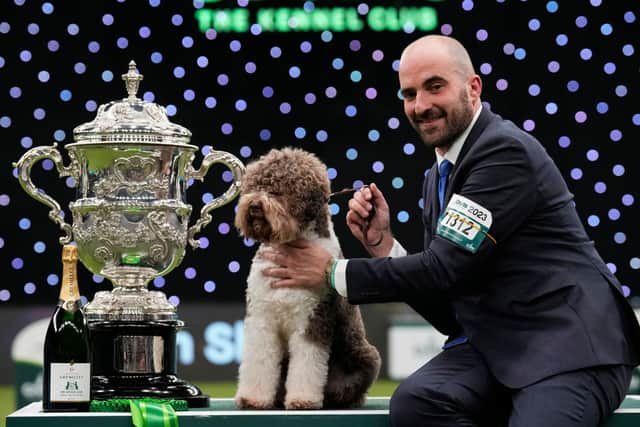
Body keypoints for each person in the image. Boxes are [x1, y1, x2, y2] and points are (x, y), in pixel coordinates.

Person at [260, 35, 640, 426]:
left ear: (473, 88)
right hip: (499, 348)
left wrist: (331, 272)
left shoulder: (503, 152)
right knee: (416, 403)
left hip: (568, 347)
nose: (421, 106)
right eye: (409, 93)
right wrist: (383, 245)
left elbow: (442, 268)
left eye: (434, 86)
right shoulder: (437, 176)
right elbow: (448, 302)